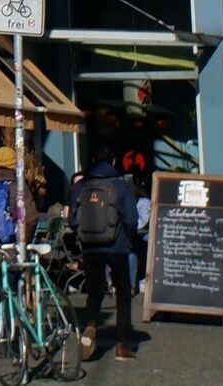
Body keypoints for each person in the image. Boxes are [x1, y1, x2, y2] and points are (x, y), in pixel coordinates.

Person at [70, 152, 142, 362]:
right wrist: (126, 239)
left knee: (94, 291)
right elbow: (131, 218)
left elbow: (73, 219)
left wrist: (83, 237)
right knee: (123, 294)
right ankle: (122, 345)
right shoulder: (120, 186)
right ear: (113, 162)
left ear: (92, 162)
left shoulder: (80, 186)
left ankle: (91, 326)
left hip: (90, 247)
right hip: (116, 246)